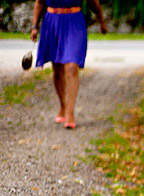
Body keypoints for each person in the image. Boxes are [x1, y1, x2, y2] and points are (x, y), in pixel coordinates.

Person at [31, 0, 107, 129]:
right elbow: (39, 3)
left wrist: (101, 21)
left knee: (71, 67)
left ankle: (70, 112)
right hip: (52, 22)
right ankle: (63, 105)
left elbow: (94, 3)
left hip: (74, 22)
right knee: (57, 70)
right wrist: (34, 27)